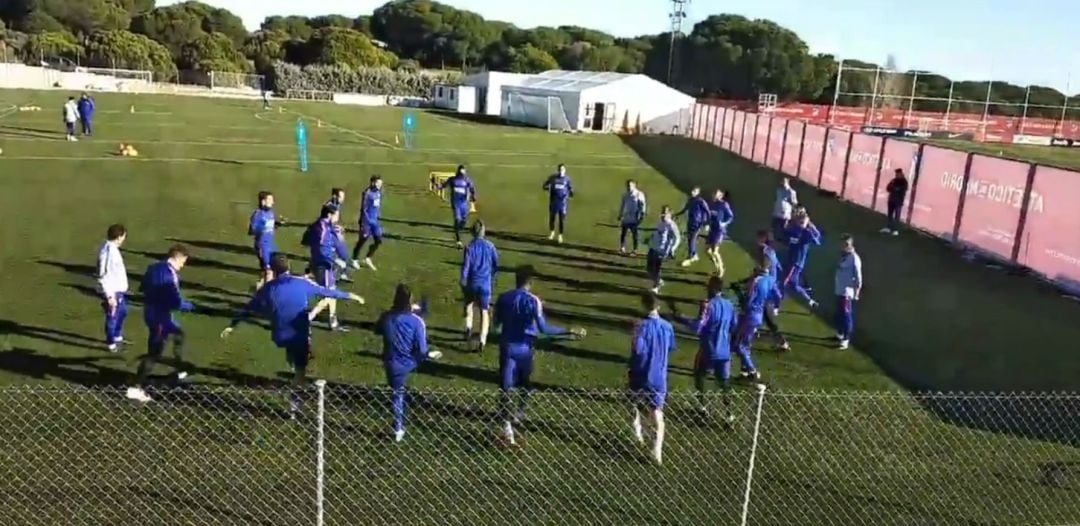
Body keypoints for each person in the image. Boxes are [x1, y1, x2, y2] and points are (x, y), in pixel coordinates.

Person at [221, 253, 365, 416]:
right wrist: (350, 295)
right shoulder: (301, 283)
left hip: (279, 336)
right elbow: (327, 292)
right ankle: (293, 402)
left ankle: (293, 368)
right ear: (289, 267)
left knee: (295, 357)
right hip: (299, 334)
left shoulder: (267, 289)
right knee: (300, 372)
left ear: (273, 271)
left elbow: (248, 308)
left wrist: (232, 325)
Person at [493, 266, 586, 445]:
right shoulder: (533, 301)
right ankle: (519, 413)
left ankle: (506, 427)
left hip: (507, 348)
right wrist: (567, 331)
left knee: (505, 387)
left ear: (516, 279)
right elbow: (544, 329)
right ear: (531, 282)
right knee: (525, 384)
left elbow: (496, 325)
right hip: (525, 350)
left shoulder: (503, 298)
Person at [127, 244, 194, 403]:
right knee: (154, 352)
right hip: (160, 318)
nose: (183, 265)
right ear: (178, 258)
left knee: (179, 334)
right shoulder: (170, 276)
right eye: (183, 261)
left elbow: (142, 287)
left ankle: (179, 371)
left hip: (151, 312)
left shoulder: (153, 267)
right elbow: (175, 302)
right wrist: (190, 306)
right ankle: (135, 387)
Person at [375, 283, 441, 442]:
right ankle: (398, 427)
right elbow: (421, 349)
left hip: (390, 363)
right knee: (398, 394)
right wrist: (429, 355)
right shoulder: (417, 322)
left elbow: (377, 330)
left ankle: (398, 428)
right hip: (410, 362)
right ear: (409, 301)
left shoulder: (386, 316)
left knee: (396, 393)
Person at [671, 275, 737, 422]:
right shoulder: (730, 305)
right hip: (724, 352)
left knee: (699, 375)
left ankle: (703, 407)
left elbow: (697, 327)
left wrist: (680, 318)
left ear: (713, 288)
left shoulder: (708, 305)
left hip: (708, 350)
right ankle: (729, 414)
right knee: (724, 383)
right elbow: (734, 326)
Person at [627, 292, 676, 465]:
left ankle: (637, 433)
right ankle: (657, 451)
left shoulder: (640, 327)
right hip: (659, 376)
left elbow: (638, 351)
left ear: (643, 305)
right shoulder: (668, 327)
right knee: (657, 411)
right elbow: (671, 347)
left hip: (640, 374)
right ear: (658, 307)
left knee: (632, 402)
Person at [303, 205, 351, 332]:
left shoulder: (320, 226)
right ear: (329, 215)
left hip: (321, 263)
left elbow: (306, 241)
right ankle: (308, 318)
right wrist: (336, 260)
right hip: (324, 265)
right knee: (329, 294)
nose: (338, 218)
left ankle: (333, 322)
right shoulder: (323, 229)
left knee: (332, 291)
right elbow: (322, 249)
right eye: (336, 215)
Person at [732, 260, 775, 381]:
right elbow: (776, 294)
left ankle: (752, 370)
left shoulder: (755, 282)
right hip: (758, 315)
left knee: (738, 345)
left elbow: (747, 302)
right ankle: (744, 372)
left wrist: (739, 292)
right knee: (746, 344)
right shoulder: (770, 280)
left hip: (748, 316)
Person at [461, 220, 499, 352]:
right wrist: (491, 276)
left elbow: (465, 268)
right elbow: (495, 266)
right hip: (485, 285)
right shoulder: (491, 246)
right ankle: (482, 340)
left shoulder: (469, 247)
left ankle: (468, 327)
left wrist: (463, 281)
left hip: (472, 284)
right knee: (484, 311)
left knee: (468, 304)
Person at [756, 230, 791, 351]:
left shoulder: (764, 252)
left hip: (766, 288)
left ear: (762, 239)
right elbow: (778, 266)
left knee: (767, 316)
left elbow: (764, 270)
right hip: (771, 287)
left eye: (758, 237)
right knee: (760, 310)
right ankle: (754, 329)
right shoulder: (771, 251)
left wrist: (755, 274)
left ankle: (782, 342)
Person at [97, 224, 129, 352]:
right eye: (123, 237)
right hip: (113, 292)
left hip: (118, 291)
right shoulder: (108, 252)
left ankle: (116, 336)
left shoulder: (112, 249)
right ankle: (111, 342)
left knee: (123, 312)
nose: (124, 240)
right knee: (113, 317)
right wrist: (109, 296)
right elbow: (103, 276)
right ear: (119, 237)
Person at [781, 211, 822, 308]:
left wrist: (812, 228)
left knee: (785, 281)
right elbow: (785, 233)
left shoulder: (807, 233)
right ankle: (810, 301)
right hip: (790, 259)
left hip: (797, 263)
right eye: (800, 222)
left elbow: (817, 241)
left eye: (803, 222)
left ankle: (776, 302)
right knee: (794, 285)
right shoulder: (794, 229)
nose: (801, 224)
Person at [834, 234, 863, 350]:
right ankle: (840, 333)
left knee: (846, 315)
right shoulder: (843, 256)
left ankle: (846, 339)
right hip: (839, 289)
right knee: (840, 313)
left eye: (844, 244)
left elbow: (858, 277)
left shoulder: (854, 258)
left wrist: (857, 291)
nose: (841, 246)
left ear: (849, 245)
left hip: (846, 291)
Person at [438, 165, 476, 248]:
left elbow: (472, 188)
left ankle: (457, 231)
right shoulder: (452, 180)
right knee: (457, 219)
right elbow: (444, 185)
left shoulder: (467, 180)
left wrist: (473, 196)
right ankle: (458, 240)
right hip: (456, 203)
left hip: (463, 203)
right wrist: (438, 187)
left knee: (463, 221)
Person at [352, 176, 384, 271]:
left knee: (378, 240)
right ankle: (354, 258)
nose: (380, 185)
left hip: (375, 221)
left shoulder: (379, 192)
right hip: (366, 221)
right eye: (378, 183)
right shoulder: (367, 193)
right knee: (362, 240)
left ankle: (368, 258)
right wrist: (365, 221)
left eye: (381, 183)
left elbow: (377, 205)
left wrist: (377, 214)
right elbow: (364, 209)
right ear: (373, 183)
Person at [646, 205, 680, 293]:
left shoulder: (671, 225)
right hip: (653, 247)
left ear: (669, 214)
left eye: (665, 214)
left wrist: (672, 249)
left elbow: (677, 238)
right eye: (662, 213)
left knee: (656, 269)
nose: (662, 215)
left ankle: (656, 286)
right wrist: (650, 239)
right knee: (649, 269)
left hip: (661, 251)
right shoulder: (660, 222)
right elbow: (657, 233)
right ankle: (659, 281)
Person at [249, 190, 278, 289]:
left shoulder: (271, 213)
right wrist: (261, 227)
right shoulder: (258, 215)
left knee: (268, 270)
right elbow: (251, 231)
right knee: (269, 271)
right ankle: (267, 293)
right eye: (270, 200)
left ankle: (259, 289)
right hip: (262, 246)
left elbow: (271, 228)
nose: (272, 202)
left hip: (271, 245)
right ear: (263, 201)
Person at [675, 186, 711, 267]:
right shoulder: (690, 200)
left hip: (698, 224)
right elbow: (685, 209)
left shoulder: (701, 201)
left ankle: (690, 257)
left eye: (694, 191)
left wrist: (707, 223)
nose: (692, 192)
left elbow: (708, 212)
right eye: (692, 190)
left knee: (692, 239)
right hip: (690, 222)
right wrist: (676, 215)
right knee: (689, 239)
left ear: (698, 192)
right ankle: (694, 254)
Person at [324, 188, 353, 282]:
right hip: (332, 236)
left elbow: (336, 221)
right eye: (341, 197)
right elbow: (327, 223)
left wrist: (341, 227)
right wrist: (337, 231)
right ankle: (330, 279)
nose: (342, 199)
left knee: (343, 256)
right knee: (340, 257)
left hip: (336, 234)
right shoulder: (329, 207)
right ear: (334, 196)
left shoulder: (336, 205)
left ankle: (342, 275)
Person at [542, 164, 574, 244]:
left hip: (562, 203)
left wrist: (571, 194)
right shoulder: (553, 178)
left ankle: (560, 235)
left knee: (561, 220)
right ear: (558, 170)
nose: (561, 171)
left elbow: (570, 188)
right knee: (552, 218)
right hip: (553, 202)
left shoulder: (567, 179)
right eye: (560, 169)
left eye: (563, 169)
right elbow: (544, 186)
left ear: (565, 170)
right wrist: (547, 188)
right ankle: (552, 232)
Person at [706, 189, 734, 276]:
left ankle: (721, 269)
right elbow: (710, 216)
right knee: (707, 250)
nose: (713, 195)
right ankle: (716, 267)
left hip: (719, 231)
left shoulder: (724, 205)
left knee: (714, 251)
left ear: (720, 196)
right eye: (713, 194)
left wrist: (724, 223)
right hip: (712, 229)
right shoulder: (712, 204)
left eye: (715, 194)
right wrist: (707, 224)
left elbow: (731, 216)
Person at [618, 180, 647, 255]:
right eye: (627, 185)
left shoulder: (639, 194)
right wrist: (620, 215)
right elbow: (622, 205)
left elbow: (642, 205)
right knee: (623, 233)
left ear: (634, 186)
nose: (628, 187)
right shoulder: (625, 195)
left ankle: (635, 250)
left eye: (630, 186)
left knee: (635, 234)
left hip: (634, 217)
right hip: (626, 217)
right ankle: (622, 247)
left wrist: (642, 215)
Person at [881, 169, 909, 236]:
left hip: (898, 201)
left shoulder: (904, 182)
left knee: (897, 216)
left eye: (898, 174)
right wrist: (893, 187)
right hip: (891, 200)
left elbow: (900, 190)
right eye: (896, 174)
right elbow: (888, 188)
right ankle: (888, 227)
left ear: (901, 174)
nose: (896, 175)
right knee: (889, 215)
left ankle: (895, 230)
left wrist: (894, 188)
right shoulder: (894, 180)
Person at [771, 178, 798, 242]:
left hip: (784, 214)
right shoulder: (779, 190)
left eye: (784, 182)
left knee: (783, 229)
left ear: (787, 182)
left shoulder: (792, 192)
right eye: (782, 181)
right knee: (773, 228)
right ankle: (774, 240)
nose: (782, 183)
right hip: (777, 212)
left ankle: (789, 241)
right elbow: (776, 199)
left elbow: (795, 203)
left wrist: (791, 200)